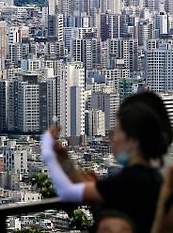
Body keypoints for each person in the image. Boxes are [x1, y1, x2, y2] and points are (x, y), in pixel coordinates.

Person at [41, 91, 172, 233]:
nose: (111, 138)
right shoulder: (150, 175)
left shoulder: (131, 180)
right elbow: (86, 187)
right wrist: (63, 157)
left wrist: (48, 152)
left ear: (133, 141)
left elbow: (68, 191)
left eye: (117, 131)